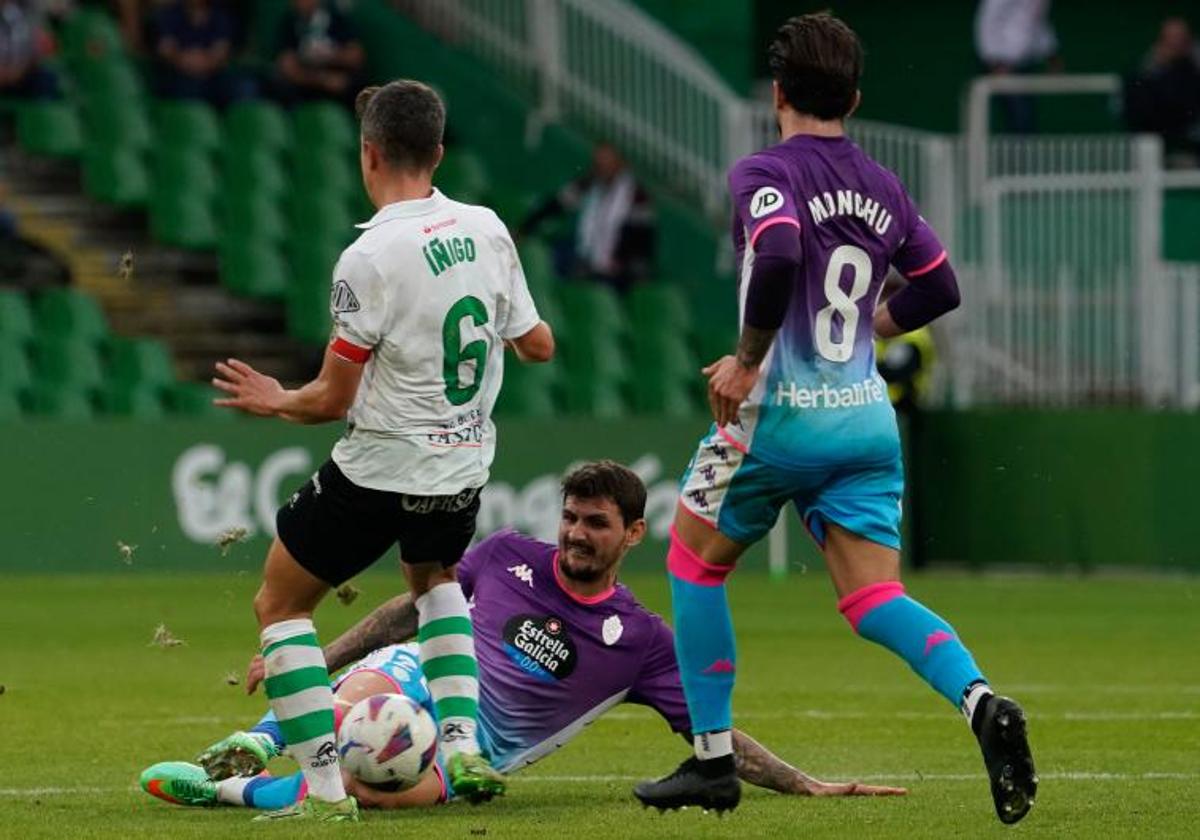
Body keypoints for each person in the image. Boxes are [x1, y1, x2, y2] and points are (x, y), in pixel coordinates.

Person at [634, 13, 1037, 826]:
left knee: (693, 563)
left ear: (776, 94)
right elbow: (939, 287)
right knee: (871, 597)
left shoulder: (762, 172)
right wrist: (869, 330)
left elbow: (779, 249)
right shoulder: (883, 184)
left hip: (779, 415)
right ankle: (980, 700)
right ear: (853, 96)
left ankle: (714, 761)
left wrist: (747, 358)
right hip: (864, 422)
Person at [138, 461, 906, 810]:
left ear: (633, 533)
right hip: (418, 680)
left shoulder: (641, 641)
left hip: (480, 755)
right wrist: (315, 656)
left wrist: (804, 783)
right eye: (570, 517)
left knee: (382, 788)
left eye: (595, 524)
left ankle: (229, 793)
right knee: (374, 696)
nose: (574, 534)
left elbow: (715, 734)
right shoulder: (506, 555)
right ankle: (258, 739)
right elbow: (409, 612)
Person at [210, 79, 555, 822]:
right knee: (435, 579)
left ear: (368, 155)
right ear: (438, 151)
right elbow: (540, 345)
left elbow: (331, 400)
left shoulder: (368, 257)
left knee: (280, 604)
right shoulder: (489, 228)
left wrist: (275, 398)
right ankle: (462, 744)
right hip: (462, 466)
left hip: (380, 467)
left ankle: (329, 794)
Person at [519, 143, 656, 293]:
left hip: (615, 265)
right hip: (583, 254)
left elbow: (642, 240)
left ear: (619, 164)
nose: (602, 168)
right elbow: (555, 206)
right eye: (598, 164)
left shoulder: (637, 197)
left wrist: (620, 263)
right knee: (552, 254)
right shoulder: (588, 184)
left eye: (607, 163)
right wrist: (523, 229)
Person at [1124, 17, 1200, 167]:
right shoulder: (1150, 66)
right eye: (1170, 37)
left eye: (1180, 37)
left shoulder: (1195, 61)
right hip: (1165, 133)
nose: (1175, 43)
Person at [974, 0, 1059, 134]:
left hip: (1024, 62)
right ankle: (1014, 154)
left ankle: (1022, 153)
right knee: (1020, 118)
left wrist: (1050, 54)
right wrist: (995, 62)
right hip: (1002, 63)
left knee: (1026, 118)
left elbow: (1037, 22)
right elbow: (988, 20)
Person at [152, 0, 251, 106]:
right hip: (179, 74)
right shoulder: (170, 15)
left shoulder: (220, 17)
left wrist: (202, 63)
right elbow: (165, 50)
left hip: (212, 75)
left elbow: (221, 53)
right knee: (184, 88)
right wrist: (184, 59)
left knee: (243, 87)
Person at [271, 0, 365, 108]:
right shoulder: (289, 22)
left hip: (339, 83)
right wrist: (323, 79)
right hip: (307, 84)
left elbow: (355, 57)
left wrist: (330, 55)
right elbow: (287, 66)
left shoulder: (336, 19)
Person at [0, 0, 58, 99]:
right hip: (7, 77)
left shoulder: (13, 14)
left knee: (49, 80)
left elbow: (30, 50)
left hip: (20, 74)